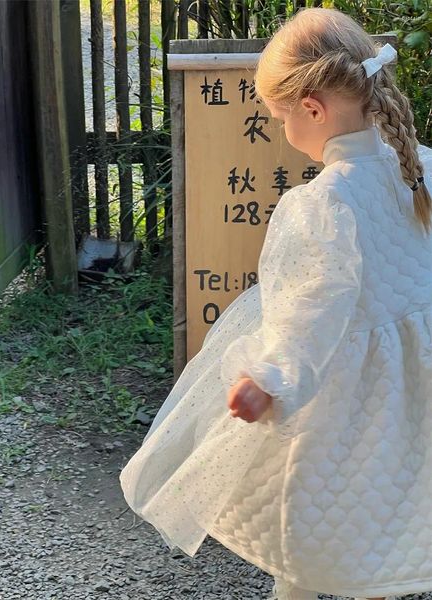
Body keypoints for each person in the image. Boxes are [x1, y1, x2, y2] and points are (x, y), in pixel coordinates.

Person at [120, 7, 432, 600]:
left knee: (311, 506)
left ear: (313, 109)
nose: (285, 131)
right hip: (413, 375)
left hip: (343, 387)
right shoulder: (423, 169)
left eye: (282, 118)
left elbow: (313, 307)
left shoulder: (324, 204)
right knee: (402, 488)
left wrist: (269, 378)